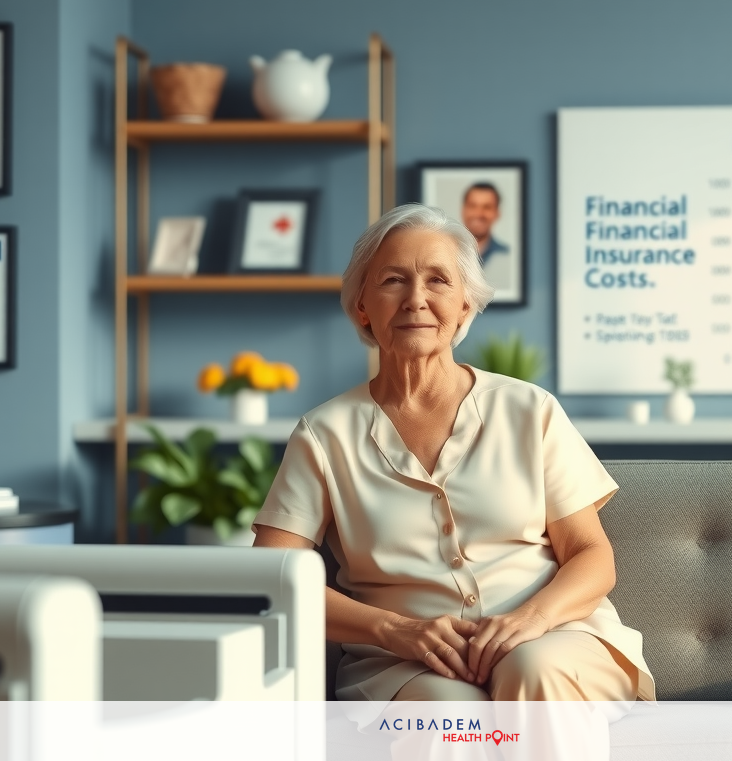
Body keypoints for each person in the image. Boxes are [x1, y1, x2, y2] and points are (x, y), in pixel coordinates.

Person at [253, 203, 654, 704]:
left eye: (438, 280)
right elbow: (273, 573)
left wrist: (532, 619)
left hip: (553, 640)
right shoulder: (323, 434)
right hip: (403, 665)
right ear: (362, 306)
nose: (415, 300)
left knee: (533, 671)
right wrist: (394, 630)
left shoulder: (530, 410)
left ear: (465, 304)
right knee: (443, 714)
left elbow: (591, 555)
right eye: (393, 280)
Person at [460, 182, 513, 294]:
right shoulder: (446, 252)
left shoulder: (508, 257)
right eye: (472, 206)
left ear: (497, 213)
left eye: (487, 207)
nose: (479, 213)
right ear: (463, 210)